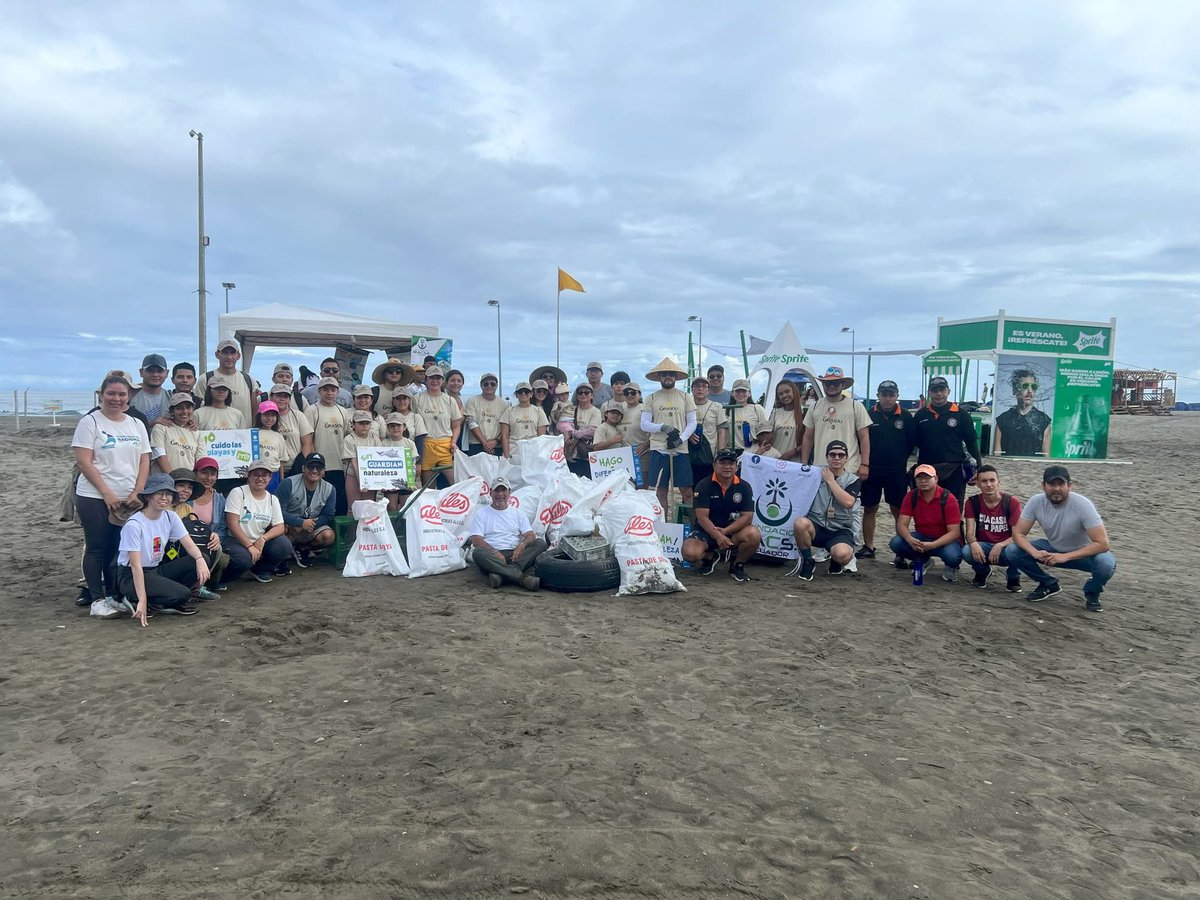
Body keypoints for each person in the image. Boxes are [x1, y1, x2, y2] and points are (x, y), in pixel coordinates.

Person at [73, 373, 151, 613]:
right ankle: (97, 599)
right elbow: (84, 462)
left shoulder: (136, 424)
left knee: (118, 548)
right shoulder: (90, 422)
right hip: (94, 496)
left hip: (128, 497)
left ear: (128, 397)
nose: (116, 399)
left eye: (121, 394)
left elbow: (144, 460)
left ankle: (113, 595)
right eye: (111, 394)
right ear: (102, 395)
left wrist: (138, 491)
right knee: (97, 546)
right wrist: (106, 493)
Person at [1009, 465, 1115, 611]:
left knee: (1106, 565)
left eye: (1061, 484)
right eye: (1052, 484)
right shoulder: (1036, 502)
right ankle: (1048, 584)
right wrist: (1034, 553)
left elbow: (1103, 544)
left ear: (1069, 485)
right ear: (1043, 486)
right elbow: (1018, 534)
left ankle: (1092, 592)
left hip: (1085, 553)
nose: (1056, 488)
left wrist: (1065, 556)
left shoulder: (1083, 505)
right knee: (1012, 550)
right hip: (1053, 548)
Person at [114, 473, 210, 623]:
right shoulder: (135, 524)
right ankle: (136, 599)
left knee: (202, 558)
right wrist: (142, 599)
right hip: (130, 576)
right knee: (182, 594)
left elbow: (188, 543)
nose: (164, 498)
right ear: (148, 497)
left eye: (168, 494)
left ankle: (166, 598)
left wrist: (199, 559)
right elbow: (135, 565)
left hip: (155, 569)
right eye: (159, 493)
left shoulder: (170, 516)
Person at [857, 380, 916, 565]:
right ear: (878, 396)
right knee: (870, 508)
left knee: (898, 510)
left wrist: (899, 459)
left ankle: (901, 550)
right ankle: (869, 546)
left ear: (897, 396)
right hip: (872, 470)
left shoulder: (906, 417)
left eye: (891, 395)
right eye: (884, 395)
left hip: (896, 471)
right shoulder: (868, 415)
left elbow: (911, 443)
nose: (888, 399)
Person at [682, 448, 761, 583]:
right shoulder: (703, 485)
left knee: (754, 534)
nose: (727, 467)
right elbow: (702, 517)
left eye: (731, 463)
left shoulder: (745, 487)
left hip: (732, 532)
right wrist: (718, 535)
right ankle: (709, 557)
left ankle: (737, 565)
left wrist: (725, 532)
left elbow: (747, 517)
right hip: (706, 531)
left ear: (736, 466)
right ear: (714, 465)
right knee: (689, 553)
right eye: (722, 463)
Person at [790, 440, 862, 580]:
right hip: (816, 525)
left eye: (841, 455)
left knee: (842, 555)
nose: (836, 458)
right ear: (827, 457)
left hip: (839, 530)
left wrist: (830, 481)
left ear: (846, 458)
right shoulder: (815, 473)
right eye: (832, 454)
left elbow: (848, 502)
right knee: (800, 523)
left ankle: (835, 561)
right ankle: (808, 561)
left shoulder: (853, 480)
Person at [467, 477, 548, 590]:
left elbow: (530, 535)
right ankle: (522, 578)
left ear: (509, 492)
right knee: (478, 552)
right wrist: (495, 552)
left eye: (503, 490)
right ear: (490, 492)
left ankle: (501, 576)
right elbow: (476, 539)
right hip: (492, 557)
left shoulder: (518, 513)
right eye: (497, 490)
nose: (500, 494)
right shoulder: (481, 513)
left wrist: (522, 545)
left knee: (540, 543)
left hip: (515, 554)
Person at [913, 375, 980, 509]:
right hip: (927, 468)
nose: (939, 394)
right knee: (929, 506)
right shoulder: (921, 415)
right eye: (934, 390)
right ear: (929, 393)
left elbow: (971, 441)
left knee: (954, 506)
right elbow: (915, 441)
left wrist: (979, 468)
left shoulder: (961, 414)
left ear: (948, 391)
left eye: (942, 390)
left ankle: (955, 531)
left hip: (954, 468)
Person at [889, 464, 963, 582]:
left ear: (936, 479)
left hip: (944, 539)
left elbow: (954, 532)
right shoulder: (911, 496)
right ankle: (924, 560)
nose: (923, 481)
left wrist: (933, 545)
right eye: (919, 478)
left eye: (927, 477)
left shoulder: (948, 498)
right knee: (896, 542)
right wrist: (910, 539)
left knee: (953, 556)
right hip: (922, 537)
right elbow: (901, 524)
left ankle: (951, 567)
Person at [640, 357, 697, 510]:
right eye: (664, 374)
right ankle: (664, 528)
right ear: (659, 377)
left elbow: (692, 422)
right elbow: (644, 424)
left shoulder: (685, 397)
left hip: (680, 449)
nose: (668, 377)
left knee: (687, 492)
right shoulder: (651, 398)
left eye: (671, 374)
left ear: (676, 377)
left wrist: (681, 438)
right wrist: (663, 427)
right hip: (658, 448)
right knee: (660, 491)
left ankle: (689, 526)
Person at [225, 458, 293, 583]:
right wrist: (249, 546)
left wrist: (263, 539)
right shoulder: (238, 493)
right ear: (249, 476)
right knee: (243, 559)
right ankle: (224, 578)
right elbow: (232, 524)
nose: (260, 479)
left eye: (264, 475)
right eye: (256, 474)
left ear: (270, 477)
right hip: (234, 540)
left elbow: (280, 527)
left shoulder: (273, 499)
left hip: (258, 540)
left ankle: (260, 570)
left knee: (284, 545)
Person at [800, 367, 871, 480]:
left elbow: (864, 437)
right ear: (823, 385)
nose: (831, 386)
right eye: (828, 384)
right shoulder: (814, 406)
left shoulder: (856, 406)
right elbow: (808, 438)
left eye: (836, 383)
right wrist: (803, 464)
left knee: (847, 498)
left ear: (843, 385)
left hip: (848, 468)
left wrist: (864, 464)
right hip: (820, 469)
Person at [963, 464, 1023, 592]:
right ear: (978, 484)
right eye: (984, 481)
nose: (989, 484)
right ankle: (983, 572)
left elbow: (1018, 535)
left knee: (1022, 547)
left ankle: (1013, 576)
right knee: (967, 551)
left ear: (998, 482)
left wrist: (1000, 545)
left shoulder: (1011, 502)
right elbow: (969, 533)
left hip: (1007, 547)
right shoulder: (972, 502)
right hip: (984, 547)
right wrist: (973, 543)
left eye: (992, 480)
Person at [170, 466, 226, 596]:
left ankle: (196, 587)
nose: (186, 491)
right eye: (181, 486)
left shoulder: (186, 508)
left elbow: (195, 529)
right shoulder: (162, 507)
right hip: (162, 556)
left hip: (181, 550)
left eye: (190, 487)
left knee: (213, 548)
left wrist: (213, 535)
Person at [275, 453, 337, 567]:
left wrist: (310, 524)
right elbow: (277, 511)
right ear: (303, 468)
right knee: (279, 529)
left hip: (310, 526)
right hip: (288, 526)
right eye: (310, 467)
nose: (314, 470)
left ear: (324, 471)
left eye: (319, 467)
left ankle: (303, 549)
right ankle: (280, 558)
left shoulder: (330, 489)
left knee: (328, 536)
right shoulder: (288, 483)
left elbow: (328, 515)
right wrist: (298, 522)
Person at [305, 376, 352, 515]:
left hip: (339, 465)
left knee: (339, 504)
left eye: (333, 390)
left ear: (338, 392)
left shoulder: (343, 411)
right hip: (319, 466)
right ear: (319, 391)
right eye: (325, 389)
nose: (329, 393)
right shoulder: (312, 410)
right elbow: (309, 439)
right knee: (319, 504)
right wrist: (314, 464)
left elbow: (347, 436)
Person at [413, 365, 462, 488]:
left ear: (442, 380)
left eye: (438, 378)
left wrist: (454, 442)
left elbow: (456, 425)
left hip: (445, 446)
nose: (435, 381)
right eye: (431, 378)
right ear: (426, 379)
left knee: (455, 484)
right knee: (428, 488)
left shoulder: (450, 400)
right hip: (426, 445)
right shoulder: (417, 399)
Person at [190, 456, 235, 591]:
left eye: (212, 474)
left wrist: (216, 538)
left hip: (209, 543)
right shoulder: (186, 496)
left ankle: (206, 585)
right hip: (187, 543)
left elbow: (222, 526)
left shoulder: (219, 499)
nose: (208, 478)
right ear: (195, 473)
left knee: (222, 558)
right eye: (204, 473)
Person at [196, 340, 259, 425]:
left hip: (243, 435)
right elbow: (197, 408)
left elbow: (255, 412)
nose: (229, 357)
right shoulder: (205, 379)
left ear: (238, 356)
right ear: (217, 354)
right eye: (225, 353)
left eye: (232, 353)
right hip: (212, 435)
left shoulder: (249, 380)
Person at [994, 367, 1052, 456]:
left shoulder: (1043, 420)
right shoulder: (1003, 420)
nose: (1030, 392)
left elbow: (1045, 456)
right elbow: (997, 454)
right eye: (1025, 386)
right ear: (1014, 390)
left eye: (1033, 387)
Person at [269, 383, 315, 475]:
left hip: (295, 468)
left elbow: (307, 443)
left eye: (285, 396)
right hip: (272, 469)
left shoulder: (298, 415)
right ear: (271, 397)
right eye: (278, 395)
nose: (282, 399)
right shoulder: (265, 418)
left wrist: (300, 465)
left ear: (289, 399)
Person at [558, 384, 602, 478]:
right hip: (570, 455)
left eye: (586, 392)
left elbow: (592, 431)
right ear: (576, 396)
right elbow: (561, 424)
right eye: (580, 392)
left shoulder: (596, 411)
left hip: (587, 456)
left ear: (592, 395)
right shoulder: (571, 409)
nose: (583, 394)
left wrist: (575, 433)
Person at [151, 393, 202, 473]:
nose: (185, 411)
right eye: (179, 408)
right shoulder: (161, 428)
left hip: (187, 482)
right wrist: (174, 479)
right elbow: (160, 456)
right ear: (172, 411)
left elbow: (200, 459)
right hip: (165, 482)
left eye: (188, 407)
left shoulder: (197, 433)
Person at [380, 414, 420, 511]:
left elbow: (412, 464)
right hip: (389, 482)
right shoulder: (383, 443)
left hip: (406, 482)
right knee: (391, 508)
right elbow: (381, 466)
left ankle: (404, 526)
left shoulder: (410, 443)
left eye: (398, 425)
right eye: (392, 426)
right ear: (388, 428)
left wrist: (411, 482)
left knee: (405, 508)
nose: (396, 428)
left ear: (404, 427)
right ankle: (393, 526)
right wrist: (384, 483)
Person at [690, 376, 725, 486]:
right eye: (697, 386)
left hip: (709, 455)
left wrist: (721, 454)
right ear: (692, 389)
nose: (700, 389)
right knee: (690, 488)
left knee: (709, 486)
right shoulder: (686, 406)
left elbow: (721, 430)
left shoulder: (716, 406)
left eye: (704, 386)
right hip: (689, 454)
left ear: (708, 390)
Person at [465, 373, 510, 457]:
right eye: (486, 384)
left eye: (492, 384)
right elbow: (471, 423)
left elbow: (507, 427)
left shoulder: (505, 404)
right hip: (476, 445)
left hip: (496, 446)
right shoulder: (472, 401)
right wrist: (485, 443)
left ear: (497, 385)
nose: (489, 386)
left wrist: (496, 441)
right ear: (481, 386)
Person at [342, 410, 382, 504]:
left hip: (371, 476)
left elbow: (380, 460)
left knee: (369, 505)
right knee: (353, 507)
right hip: (353, 475)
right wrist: (362, 481)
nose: (364, 426)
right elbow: (354, 461)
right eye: (360, 423)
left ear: (371, 425)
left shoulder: (375, 438)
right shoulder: (349, 439)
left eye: (367, 423)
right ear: (353, 424)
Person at [500, 382, 548, 457]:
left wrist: (540, 455)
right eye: (520, 392)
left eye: (526, 391)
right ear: (516, 395)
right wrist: (506, 455)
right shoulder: (509, 411)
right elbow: (504, 435)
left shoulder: (539, 411)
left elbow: (541, 437)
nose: (523, 394)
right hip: (514, 451)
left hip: (533, 451)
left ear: (531, 394)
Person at [760, 380, 804, 460]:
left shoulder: (804, 413)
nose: (784, 395)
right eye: (780, 394)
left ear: (794, 391)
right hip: (775, 459)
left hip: (794, 462)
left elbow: (809, 441)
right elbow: (768, 436)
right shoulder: (775, 413)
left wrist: (792, 452)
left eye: (787, 391)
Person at [616, 382, 650, 485]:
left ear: (639, 394)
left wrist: (646, 444)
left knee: (641, 489)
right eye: (627, 393)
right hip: (623, 456)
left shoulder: (645, 409)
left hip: (642, 455)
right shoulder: (619, 409)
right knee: (625, 489)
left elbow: (655, 432)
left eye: (633, 393)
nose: (630, 395)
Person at [253, 401, 289, 490]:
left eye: (273, 415)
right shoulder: (253, 433)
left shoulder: (279, 436)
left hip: (274, 475)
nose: (269, 418)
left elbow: (281, 461)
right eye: (266, 415)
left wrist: (282, 480)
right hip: (256, 474)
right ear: (259, 416)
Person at [728, 379, 769, 453]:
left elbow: (765, 431)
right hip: (732, 452)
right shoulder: (727, 410)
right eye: (737, 391)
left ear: (749, 393)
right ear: (732, 393)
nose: (741, 394)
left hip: (753, 450)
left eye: (743, 391)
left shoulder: (757, 408)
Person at [129, 353, 171, 424]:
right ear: (141, 372)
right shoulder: (130, 397)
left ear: (167, 373)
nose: (155, 374)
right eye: (150, 371)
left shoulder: (171, 397)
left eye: (159, 371)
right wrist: (152, 423)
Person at [389, 387, 428, 463]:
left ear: (409, 400)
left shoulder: (416, 417)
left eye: (404, 398)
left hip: (410, 458)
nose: (401, 401)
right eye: (398, 399)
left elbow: (419, 441)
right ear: (393, 401)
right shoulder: (388, 418)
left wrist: (419, 463)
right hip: (391, 459)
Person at [445, 369, 469, 451]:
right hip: (444, 440)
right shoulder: (442, 399)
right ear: (446, 382)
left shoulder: (465, 401)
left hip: (461, 440)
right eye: (452, 380)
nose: (456, 383)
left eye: (459, 381)